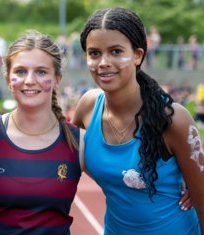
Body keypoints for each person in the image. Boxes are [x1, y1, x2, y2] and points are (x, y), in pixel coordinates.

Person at [72, 7, 204, 234]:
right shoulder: (88, 107)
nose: (103, 62)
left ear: (138, 55)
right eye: (94, 53)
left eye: (115, 51)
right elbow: (57, 149)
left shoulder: (172, 119)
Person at [0, 29, 85, 235]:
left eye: (41, 72)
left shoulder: (80, 142)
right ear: (7, 79)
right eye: (20, 72)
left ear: (57, 79)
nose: (29, 80)